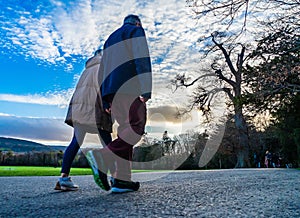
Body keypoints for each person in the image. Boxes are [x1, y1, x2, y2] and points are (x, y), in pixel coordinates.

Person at [87, 14, 152, 193]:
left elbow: (103, 71)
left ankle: (121, 180)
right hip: (130, 88)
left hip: (112, 92)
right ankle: (102, 157)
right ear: (137, 22)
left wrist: (105, 99)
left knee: (125, 130)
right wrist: (146, 89)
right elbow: (141, 59)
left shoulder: (109, 40)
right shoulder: (135, 31)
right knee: (136, 128)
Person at [54, 49, 113, 191]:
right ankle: (117, 177)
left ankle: (63, 178)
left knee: (75, 142)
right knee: (108, 144)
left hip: (80, 111)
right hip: (96, 108)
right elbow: (105, 88)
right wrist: (109, 104)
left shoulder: (86, 70)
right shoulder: (104, 66)